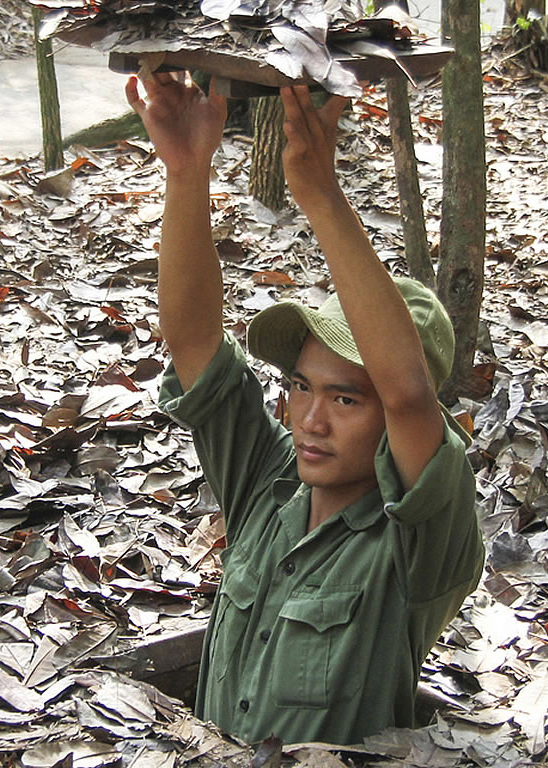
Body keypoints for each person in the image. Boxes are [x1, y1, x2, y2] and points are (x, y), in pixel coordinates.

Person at [125, 71, 483, 746]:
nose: (311, 420)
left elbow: (408, 392)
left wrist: (320, 195)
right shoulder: (268, 477)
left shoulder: (416, 541)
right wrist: (185, 170)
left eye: (346, 398)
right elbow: (195, 342)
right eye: (300, 386)